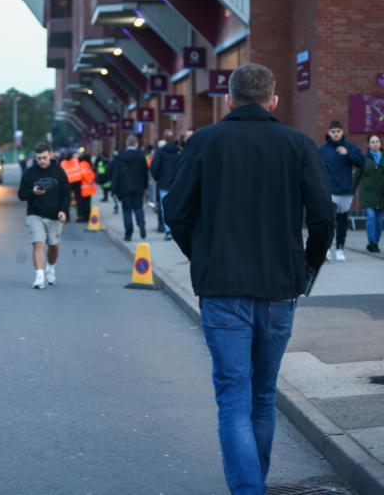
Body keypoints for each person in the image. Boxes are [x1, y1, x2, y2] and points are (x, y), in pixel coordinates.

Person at [163, 63, 334, 495]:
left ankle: (248, 488)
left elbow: (176, 211)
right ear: (274, 100)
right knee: (262, 394)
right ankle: (252, 483)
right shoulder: (297, 144)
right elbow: (323, 218)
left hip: (222, 287)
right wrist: (308, 267)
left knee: (234, 397)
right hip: (280, 287)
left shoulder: (205, 142)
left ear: (229, 99)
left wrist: (201, 255)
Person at [17, 143, 70, 289]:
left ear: (51, 155)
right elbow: (21, 195)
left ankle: (51, 268)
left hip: (54, 215)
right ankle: (39, 276)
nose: (41, 161)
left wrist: (64, 211)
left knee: (53, 246)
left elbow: (66, 194)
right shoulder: (29, 173)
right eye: (39, 158)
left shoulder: (59, 172)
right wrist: (32, 192)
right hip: (35, 214)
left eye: (44, 158)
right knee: (38, 243)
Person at [319, 120, 364, 261]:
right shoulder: (323, 150)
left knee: (342, 222)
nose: (336, 134)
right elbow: (316, 168)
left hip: (346, 191)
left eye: (338, 131)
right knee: (329, 222)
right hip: (330, 191)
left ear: (342, 132)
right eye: (333, 131)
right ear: (329, 133)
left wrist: (348, 154)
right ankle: (326, 249)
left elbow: (361, 162)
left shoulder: (350, 147)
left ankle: (339, 249)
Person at [111, 135, 148, 241]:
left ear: (127, 144)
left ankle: (128, 234)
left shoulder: (120, 157)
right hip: (138, 187)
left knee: (127, 211)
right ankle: (141, 223)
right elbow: (145, 173)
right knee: (138, 208)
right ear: (136, 143)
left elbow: (116, 174)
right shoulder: (141, 156)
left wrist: (114, 189)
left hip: (124, 188)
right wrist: (145, 187)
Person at [353, 133, 384, 252]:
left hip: (381, 195)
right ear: (369, 144)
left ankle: (375, 243)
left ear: (380, 143)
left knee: (379, 220)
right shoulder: (364, 159)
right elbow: (357, 176)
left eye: (377, 141)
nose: (375, 144)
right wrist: (350, 191)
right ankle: (371, 241)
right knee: (371, 216)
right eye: (372, 142)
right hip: (368, 194)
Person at [151, 129, 183, 241]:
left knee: (165, 208)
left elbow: (154, 168)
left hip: (164, 183)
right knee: (178, 206)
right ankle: (177, 230)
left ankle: (168, 230)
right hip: (177, 183)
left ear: (164, 139)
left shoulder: (160, 152)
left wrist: (157, 178)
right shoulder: (179, 151)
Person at [60, 152, 82, 221]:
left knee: (67, 200)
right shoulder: (76, 160)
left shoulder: (62, 163)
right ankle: (79, 215)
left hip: (68, 183)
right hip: (77, 181)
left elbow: (61, 174)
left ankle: (67, 217)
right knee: (78, 199)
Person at [78, 153, 97, 223]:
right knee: (86, 203)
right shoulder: (85, 164)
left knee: (84, 203)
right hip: (86, 188)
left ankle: (84, 216)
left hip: (84, 188)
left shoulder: (83, 164)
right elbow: (85, 173)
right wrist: (90, 181)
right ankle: (85, 217)